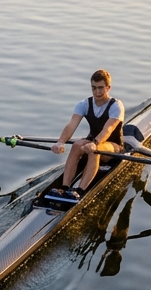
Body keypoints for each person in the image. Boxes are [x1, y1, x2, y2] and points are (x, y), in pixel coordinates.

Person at [50, 69, 125, 200]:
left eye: (101, 88)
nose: (97, 92)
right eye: (94, 88)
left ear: (108, 88)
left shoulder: (116, 105)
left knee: (95, 150)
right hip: (93, 141)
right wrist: (60, 142)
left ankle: (80, 191)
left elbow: (107, 130)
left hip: (113, 146)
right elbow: (71, 125)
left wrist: (94, 143)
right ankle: (65, 188)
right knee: (76, 145)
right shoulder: (84, 104)